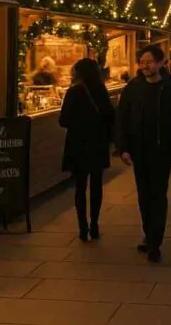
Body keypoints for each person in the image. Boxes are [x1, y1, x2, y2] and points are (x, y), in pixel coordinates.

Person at [115, 44, 171, 263]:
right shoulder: (133, 87)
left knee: (158, 194)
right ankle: (148, 233)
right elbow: (121, 118)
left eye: (149, 61)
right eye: (142, 61)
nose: (145, 65)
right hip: (138, 149)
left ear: (161, 63)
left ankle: (155, 242)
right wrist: (123, 148)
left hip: (161, 149)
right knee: (143, 194)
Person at [60, 57, 115, 242]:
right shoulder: (101, 91)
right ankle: (95, 224)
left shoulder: (73, 92)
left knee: (80, 187)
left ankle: (82, 227)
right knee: (96, 185)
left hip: (78, 144)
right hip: (98, 143)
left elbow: (63, 120)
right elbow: (110, 117)